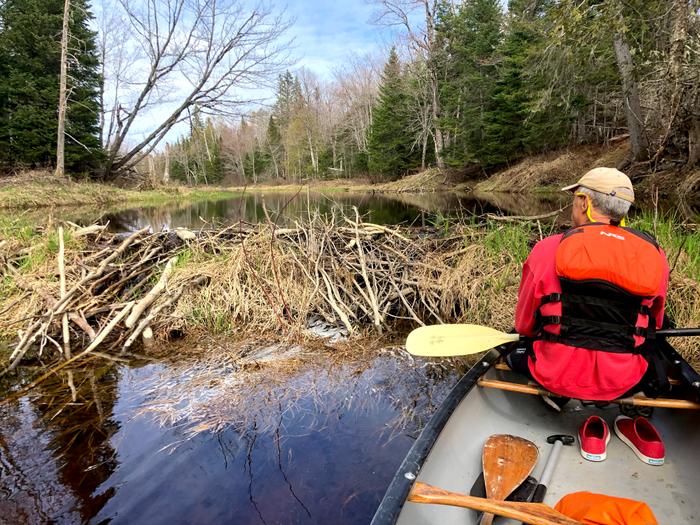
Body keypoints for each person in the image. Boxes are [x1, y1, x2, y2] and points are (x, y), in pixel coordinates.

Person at [508, 167, 670, 402]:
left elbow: (525, 326)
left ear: (584, 202)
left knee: (517, 354)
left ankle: (557, 396)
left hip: (554, 374)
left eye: (574, 199)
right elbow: (654, 321)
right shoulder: (655, 254)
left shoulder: (547, 249)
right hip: (623, 380)